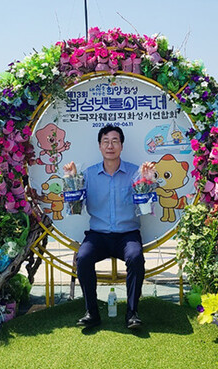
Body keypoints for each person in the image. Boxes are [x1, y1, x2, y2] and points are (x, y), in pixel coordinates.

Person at [63, 125, 150, 329]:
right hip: (98, 235)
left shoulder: (135, 172)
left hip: (127, 234)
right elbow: (74, 208)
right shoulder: (88, 174)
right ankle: (91, 312)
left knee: (136, 257)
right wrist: (73, 181)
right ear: (100, 146)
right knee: (82, 258)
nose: (110, 145)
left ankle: (132, 313)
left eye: (115, 141)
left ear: (121, 145)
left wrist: (148, 180)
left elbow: (146, 206)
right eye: (106, 141)